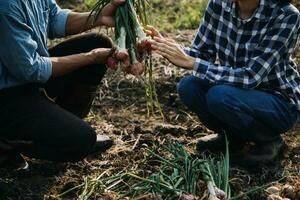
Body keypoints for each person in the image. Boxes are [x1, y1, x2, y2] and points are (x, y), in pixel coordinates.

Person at [147, 0, 300, 166]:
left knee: (219, 96)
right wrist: (165, 47)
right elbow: (201, 53)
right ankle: (232, 138)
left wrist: (192, 62)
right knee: (189, 86)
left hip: (278, 103)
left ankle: (269, 141)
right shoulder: (218, 5)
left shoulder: (286, 15)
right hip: (233, 92)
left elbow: (251, 76)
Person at [0, 0, 126, 169]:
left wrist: (100, 16)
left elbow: (54, 18)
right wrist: (90, 57)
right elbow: (30, 69)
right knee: (81, 141)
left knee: (97, 42)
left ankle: (57, 126)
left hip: (25, 78)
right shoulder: (5, 6)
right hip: (7, 93)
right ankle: (6, 141)